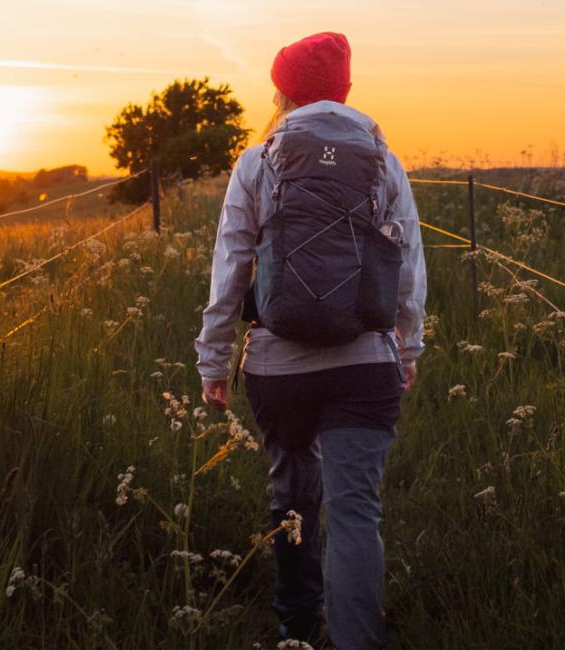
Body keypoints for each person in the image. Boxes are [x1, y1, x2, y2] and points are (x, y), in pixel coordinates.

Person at [194, 31, 426, 650]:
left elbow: (231, 268)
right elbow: (407, 267)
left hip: (278, 366)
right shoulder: (383, 159)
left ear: (283, 90)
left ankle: (296, 629)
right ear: (345, 90)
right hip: (364, 365)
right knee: (356, 513)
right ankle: (356, 641)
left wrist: (213, 359)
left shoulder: (258, 160)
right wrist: (407, 347)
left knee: (293, 497)